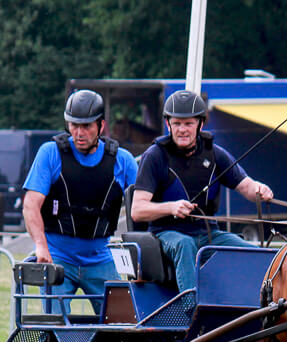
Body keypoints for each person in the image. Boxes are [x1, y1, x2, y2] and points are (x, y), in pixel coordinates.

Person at [130, 89, 273, 293]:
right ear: (168, 124)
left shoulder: (215, 154)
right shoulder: (154, 156)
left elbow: (246, 186)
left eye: (188, 123)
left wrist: (260, 189)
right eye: (177, 123)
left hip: (208, 233)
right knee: (185, 245)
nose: (182, 129)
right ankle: (193, 310)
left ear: (200, 124)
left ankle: (259, 307)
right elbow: (137, 210)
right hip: (166, 234)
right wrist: (171, 207)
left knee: (253, 253)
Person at [22, 89, 138, 313]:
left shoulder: (123, 161)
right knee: (55, 330)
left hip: (100, 258)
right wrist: (40, 246)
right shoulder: (50, 153)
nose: (79, 132)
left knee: (123, 323)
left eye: (86, 126)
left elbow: (141, 208)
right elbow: (30, 205)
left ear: (101, 126)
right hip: (57, 257)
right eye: (74, 125)